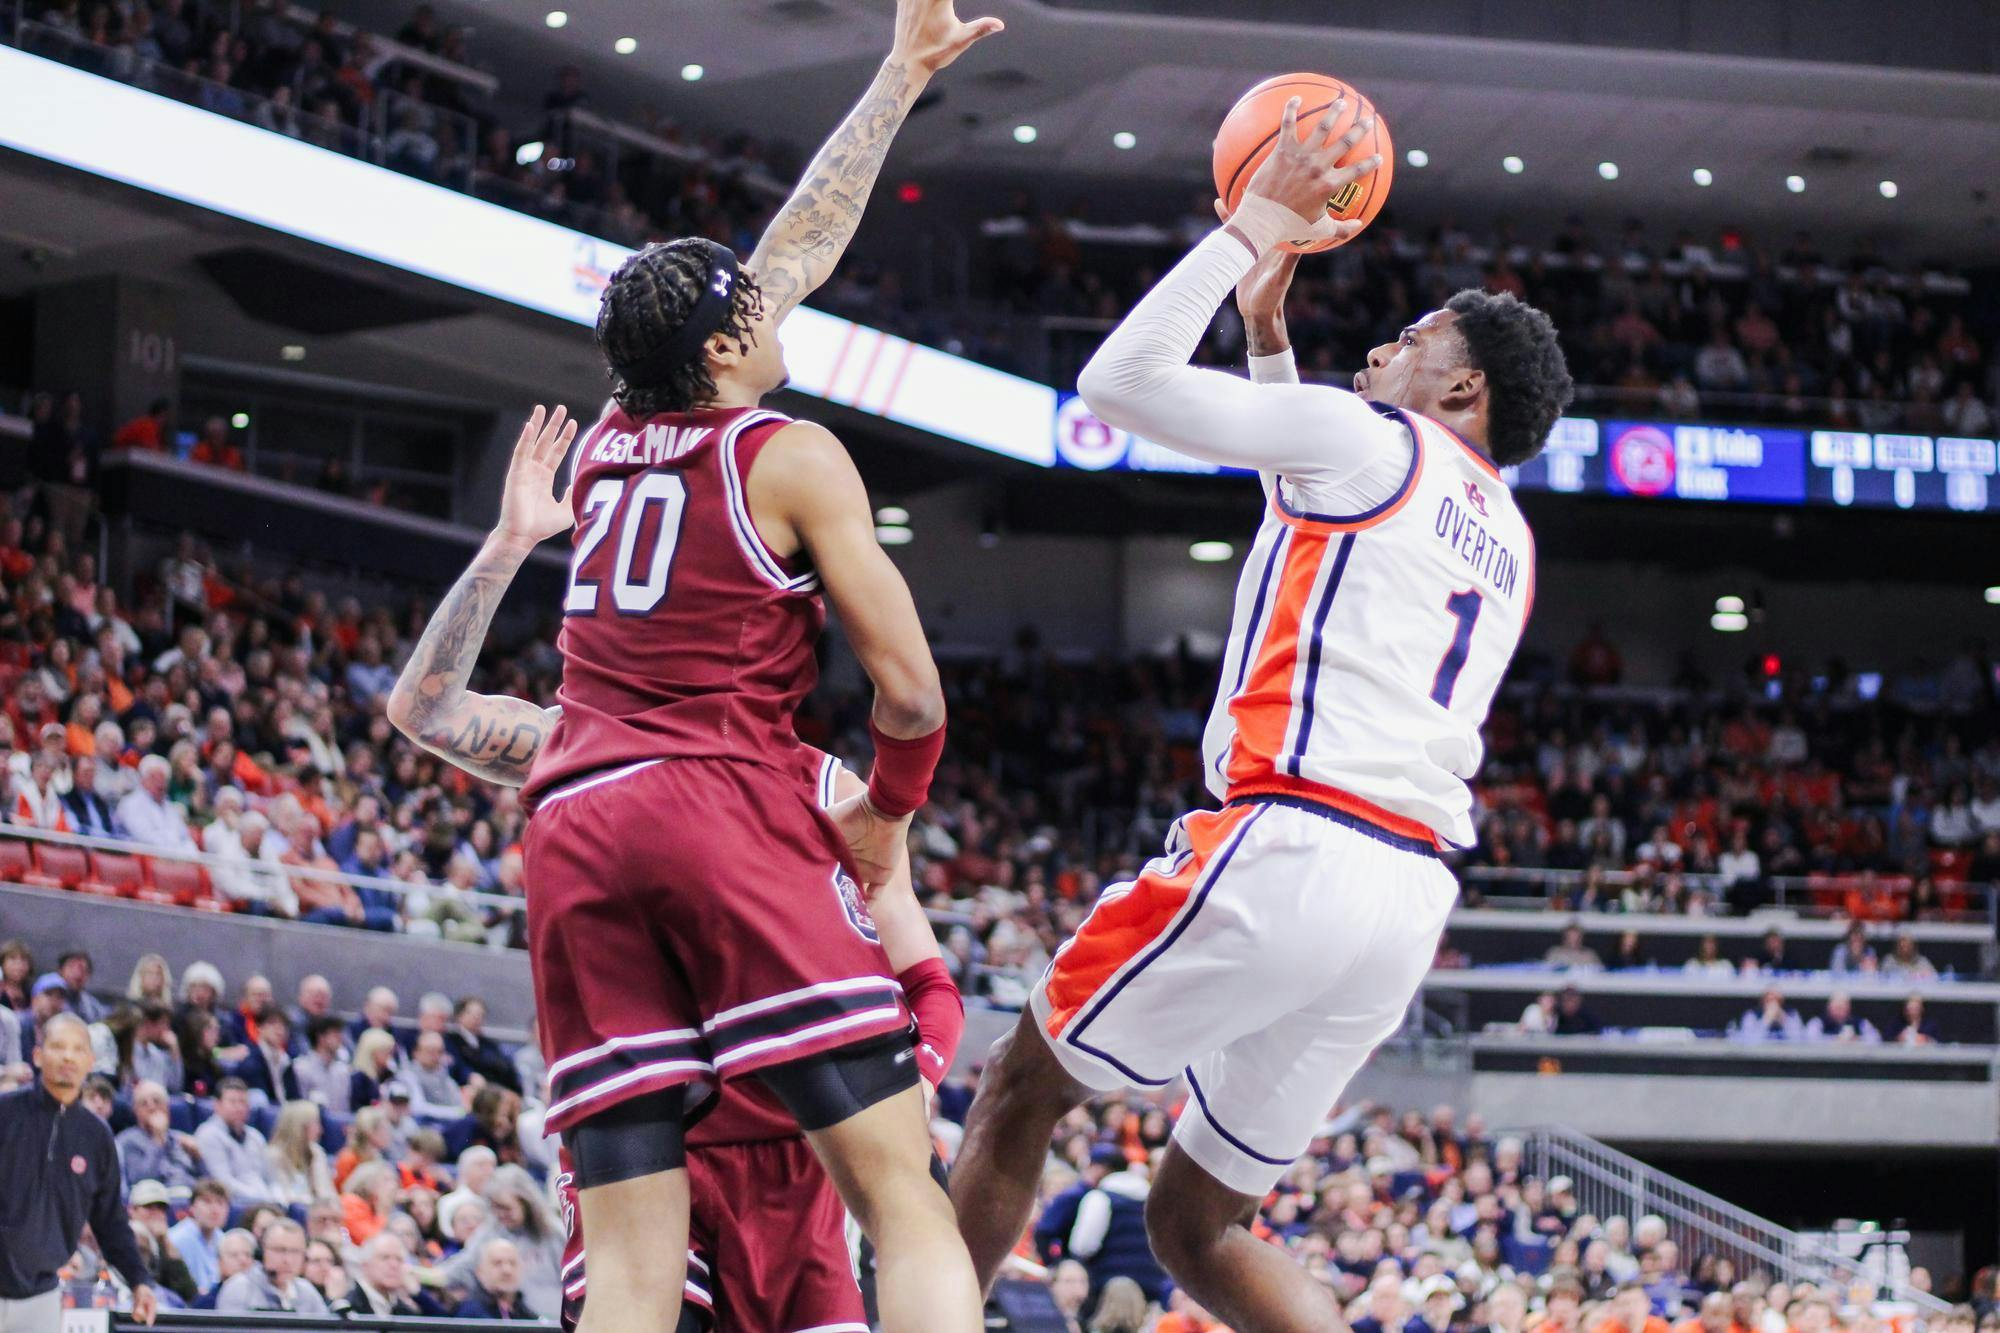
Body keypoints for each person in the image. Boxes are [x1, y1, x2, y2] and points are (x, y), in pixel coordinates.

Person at [386, 7, 1004, 1329]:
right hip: (713, 803)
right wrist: (887, 820)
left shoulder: (610, 440)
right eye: (751, 313)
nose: (777, 312)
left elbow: (787, 251)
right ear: (726, 349)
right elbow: (912, 695)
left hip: (572, 824)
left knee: (624, 1267)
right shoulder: (782, 452)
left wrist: (896, 79)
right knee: (905, 1194)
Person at [952, 99, 1570, 1330]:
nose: (1379, 351)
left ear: (1457, 384)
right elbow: (1313, 500)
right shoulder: (1504, 529)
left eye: (1406, 339)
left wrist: (1247, 231)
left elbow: (1114, 383)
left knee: (1019, 1089)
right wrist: (1265, 333)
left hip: (1291, 843)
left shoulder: (1367, 435)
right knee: (1197, 1223)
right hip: (1400, 899)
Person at [387, 422, 968, 1329]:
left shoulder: (826, 785)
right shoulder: (590, 750)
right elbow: (425, 711)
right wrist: (508, 544)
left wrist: (910, 1082)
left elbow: (928, 981)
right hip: (655, 1151)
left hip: (793, 1159)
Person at [0, 1013, 159, 1328]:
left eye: (77, 1049)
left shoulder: (97, 1137)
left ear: (91, 1060)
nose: (68, 1056)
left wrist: (139, 1279)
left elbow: (110, 1219)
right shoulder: (5, 1114)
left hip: (41, 1296)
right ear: (37, 1055)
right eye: (58, 1046)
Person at [192, 1078, 279, 1206]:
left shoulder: (256, 1136)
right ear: (217, 1105)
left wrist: (276, 1197)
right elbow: (223, 1183)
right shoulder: (208, 1134)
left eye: (243, 1102)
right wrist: (262, 1199)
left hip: (263, 1201)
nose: (239, 1108)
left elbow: (271, 1178)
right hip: (234, 1203)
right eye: (233, 1102)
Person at [214, 1216, 327, 1313]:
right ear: (262, 1252)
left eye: (295, 1251)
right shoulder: (238, 1288)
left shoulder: (307, 1292)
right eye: (279, 1250)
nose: (287, 1260)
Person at [115, 1078, 204, 1194]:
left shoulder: (180, 1138)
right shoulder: (127, 1141)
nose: (151, 1107)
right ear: (135, 1111)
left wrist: (198, 1158)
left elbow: (206, 1181)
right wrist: (158, 1140)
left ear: (167, 1107)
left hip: (189, 1199)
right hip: (156, 1204)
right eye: (144, 1103)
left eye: (157, 1101)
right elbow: (140, 1181)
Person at [341, 1231, 443, 1317]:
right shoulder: (346, 1308)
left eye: (399, 1260)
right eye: (385, 1258)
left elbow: (444, 1324)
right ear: (365, 1265)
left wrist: (417, 1293)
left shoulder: (405, 1312)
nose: (394, 1265)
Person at [167, 1180, 231, 1296]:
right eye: (207, 1202)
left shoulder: (223, 1238)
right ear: (192, 1207)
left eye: (220, 1203)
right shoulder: (179, 1238)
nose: (214, 1210)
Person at [456, 1237, 536, 1320]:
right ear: (480, 1271)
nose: (507, 1270)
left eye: (512, 1263)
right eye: (497, 1263)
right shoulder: (469, 1316)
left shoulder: (527, 1314)